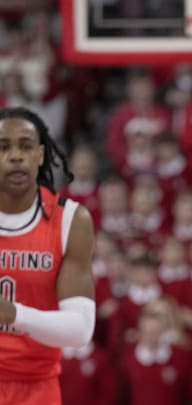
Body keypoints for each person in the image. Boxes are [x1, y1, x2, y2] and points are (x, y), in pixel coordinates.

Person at [0, 107, 96, 404]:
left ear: (40, 155)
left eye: (25, 146)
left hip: (36, 386)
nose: (16, 155)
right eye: (3, 147)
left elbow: (80, 329)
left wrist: (15, 315)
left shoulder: (70, 220)